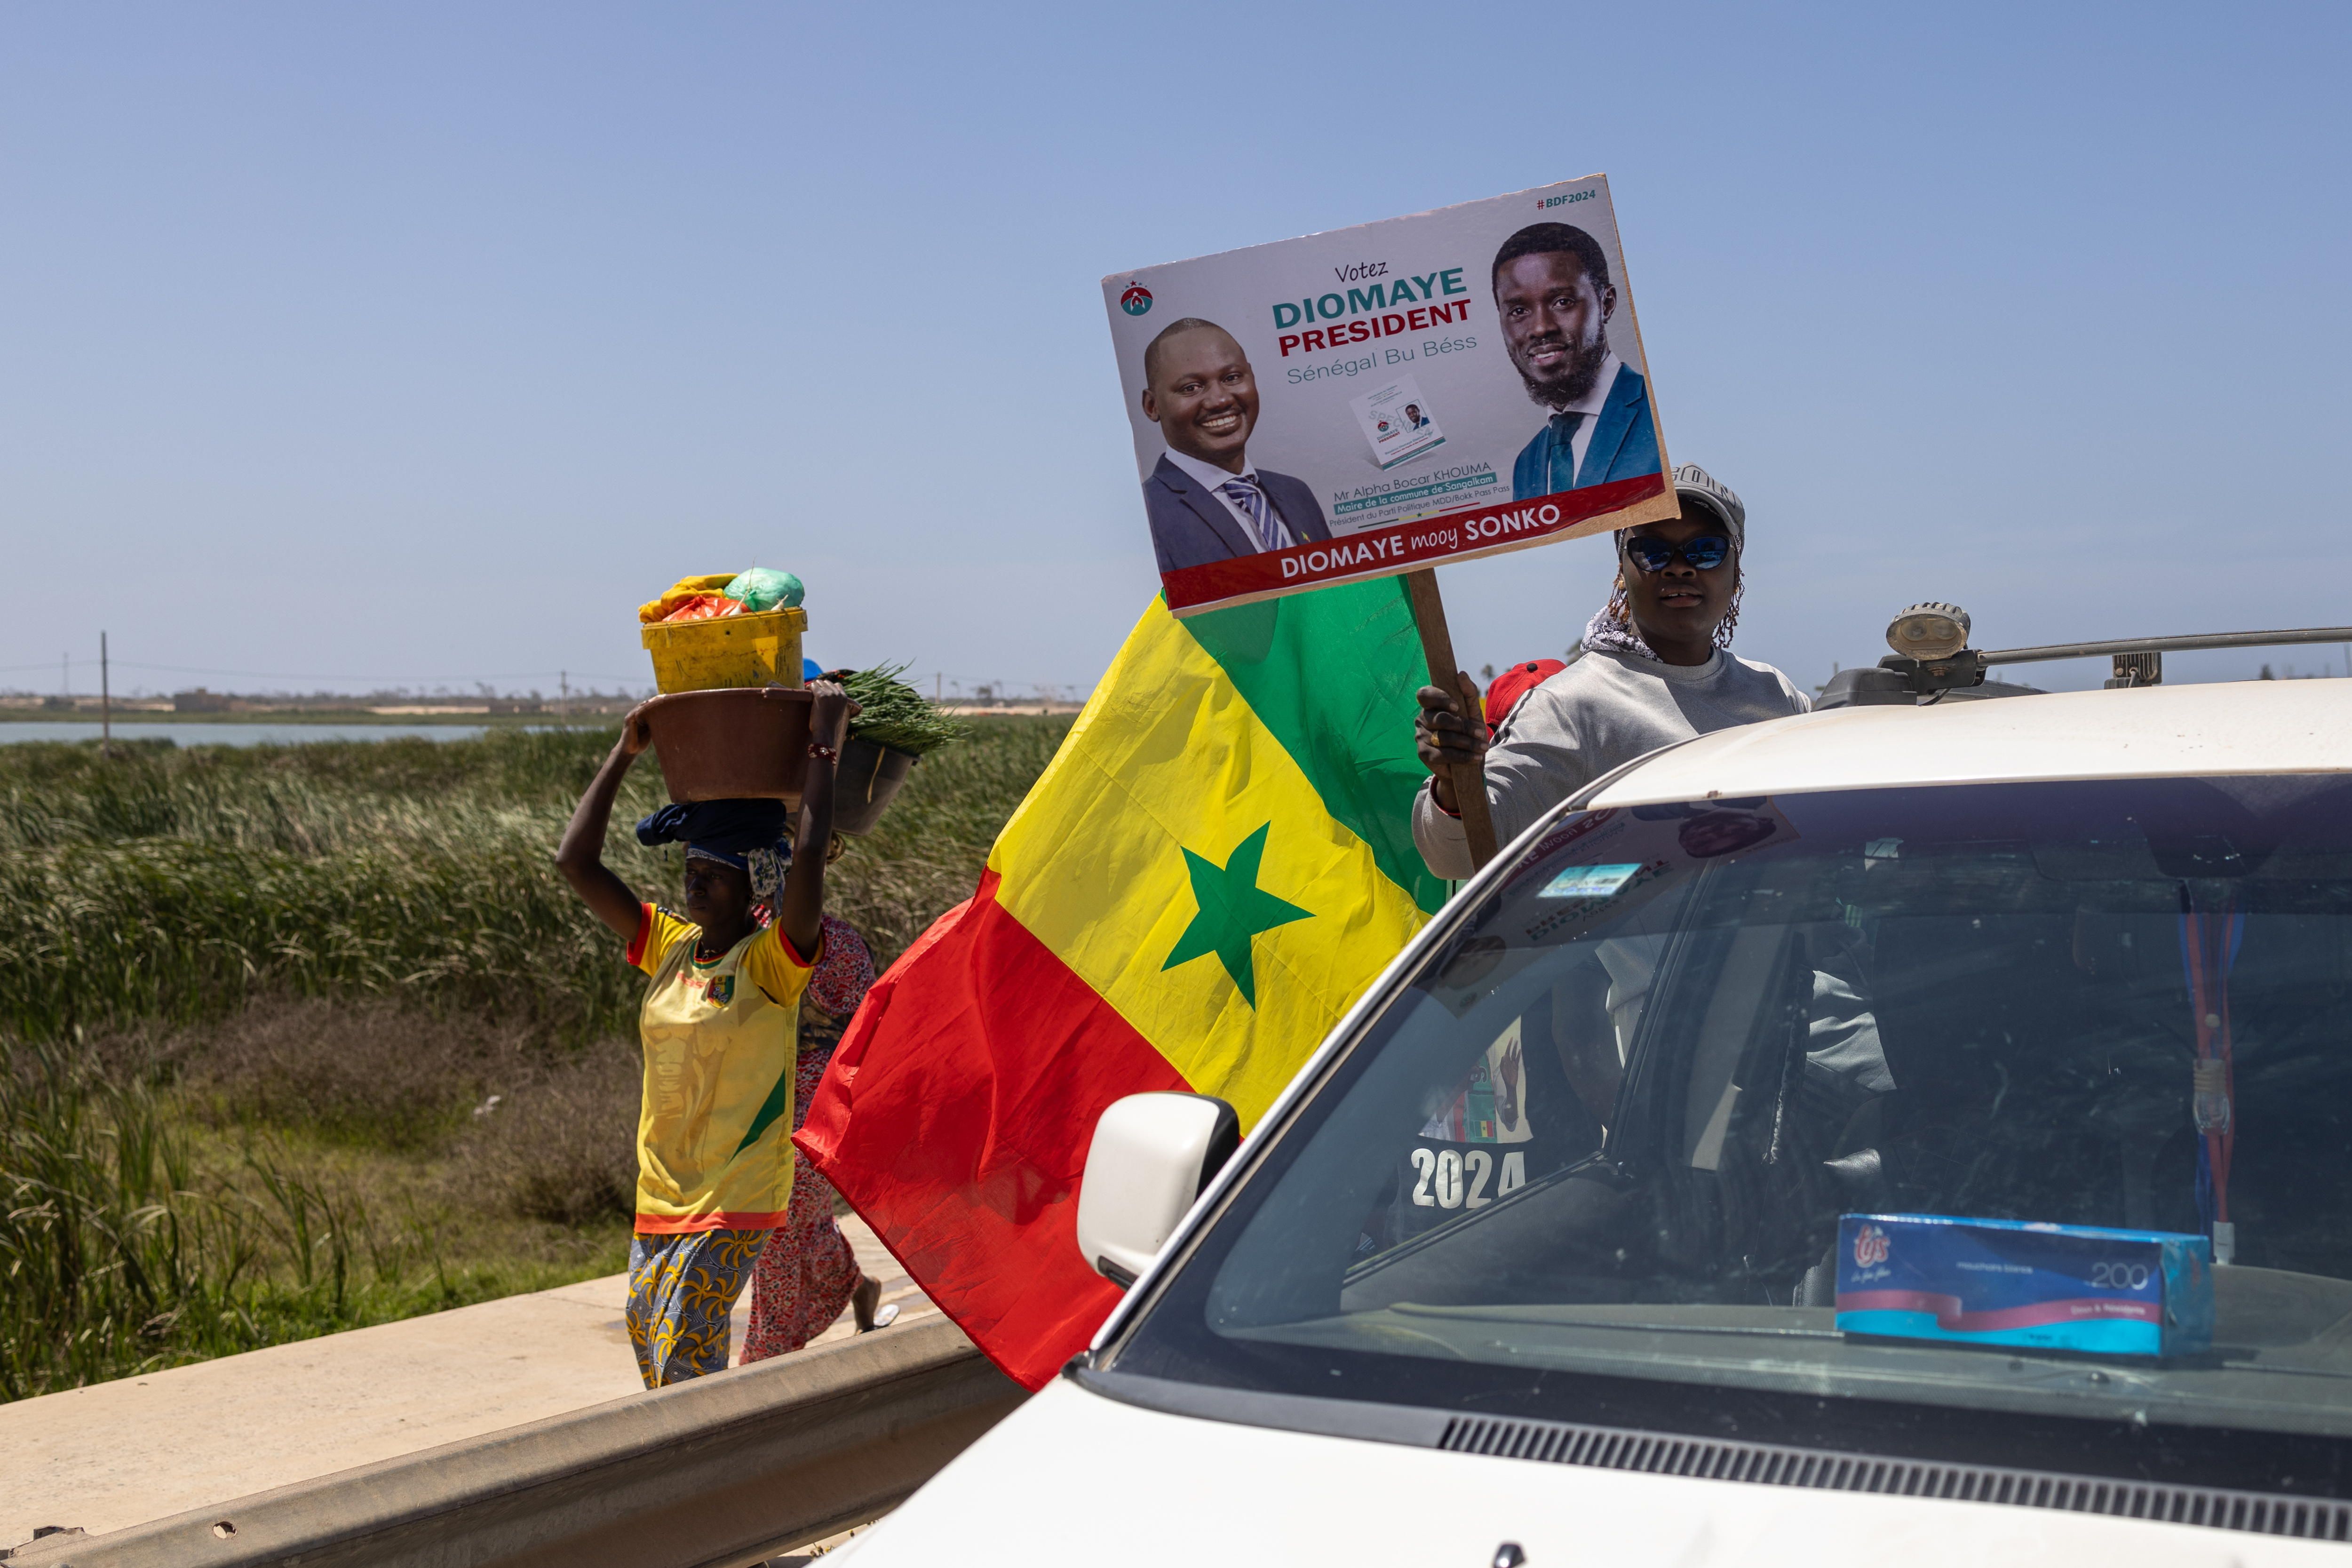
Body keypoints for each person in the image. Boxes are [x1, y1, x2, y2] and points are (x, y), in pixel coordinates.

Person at [555, 682, 851, 1387]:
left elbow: (806, 860)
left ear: (750, 881)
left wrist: (823, 744)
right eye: (690, 871)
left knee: (687, 1350)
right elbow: (575, 863)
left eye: (713, 875)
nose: (695, 886)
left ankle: (711, 1488)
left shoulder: (772, 964)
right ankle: (699, 1478)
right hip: (662, 1190)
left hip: (735, 1195)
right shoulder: (669, 945)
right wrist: (624, 753)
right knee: (651, 1347)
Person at [1412, 463, 1806, 880]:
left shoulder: (1776, 694)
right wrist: (1455, 784)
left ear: (1736, 571)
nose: (1679, 567)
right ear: (1622, 569)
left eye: (1705, 550)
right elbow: (1457, 860)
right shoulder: (1573, 705)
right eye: (1652, 551)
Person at [740, 908, 899, 1359]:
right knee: (805, 1225)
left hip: (809, 1110)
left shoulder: (821, 941)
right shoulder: (756, 926)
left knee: (776, 1229)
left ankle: (765, 1359)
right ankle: (859, 1287)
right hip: (783, 1105)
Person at [1139, 317, 1333, 573]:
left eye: (1231, 378)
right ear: (1152, 406)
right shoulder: (1146, 515)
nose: (1219, 400)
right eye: (1192, 388)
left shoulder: (1296, 493)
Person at [1492, 223, 1662, 502]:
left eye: (1562, 302)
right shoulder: (1527, 463)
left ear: (1606, 304)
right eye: (1519, 310)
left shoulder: (1658, 415)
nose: (1540, 328)